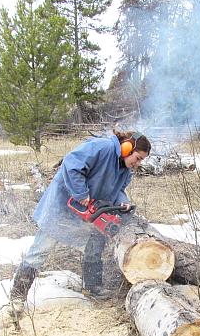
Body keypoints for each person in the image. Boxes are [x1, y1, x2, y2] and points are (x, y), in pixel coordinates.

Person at [9, 128, 151, 323]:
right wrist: (80, 192)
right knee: (41, 249)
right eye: (138, 157)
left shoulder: (126, 170)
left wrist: (123, 201)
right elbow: (72, 164)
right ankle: (17, 296)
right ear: (127, 147)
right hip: (62, 204)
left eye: (141, 160)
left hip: (87, 210)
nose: (137, 163)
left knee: (95, 243)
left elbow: (118, 190)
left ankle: (92, 287)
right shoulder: (102, 147)